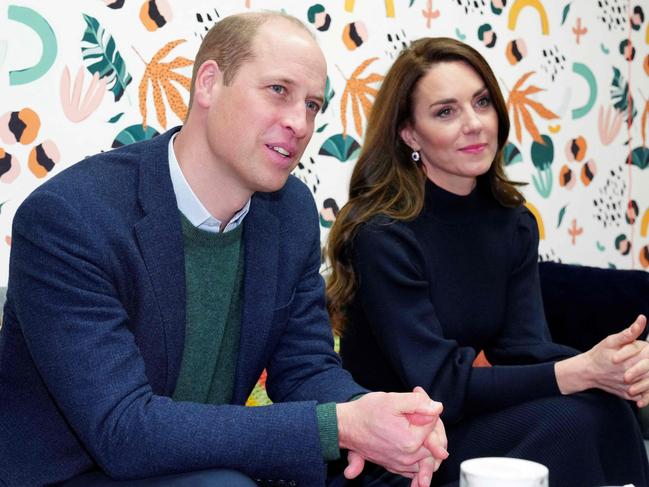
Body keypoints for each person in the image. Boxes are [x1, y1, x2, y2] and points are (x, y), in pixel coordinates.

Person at [0, 13, 448, 487]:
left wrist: (377, 416)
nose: (299, 122)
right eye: (278, 90)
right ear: (209, 84)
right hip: (77, 471)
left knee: (391, 471)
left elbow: (306, 369)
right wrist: (340, 426)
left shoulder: (289, 211)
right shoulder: (71, 218)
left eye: (313, 105)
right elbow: (123, 429)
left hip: (203, 460)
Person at [325, 36, 649, 487]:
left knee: (605, 405)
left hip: (460, 424)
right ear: (410, 134)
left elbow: (525, 349)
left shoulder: (512, 223)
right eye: (446, 111)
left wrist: (616, 366)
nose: (475, 124)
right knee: (574, 423)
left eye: (481, 103)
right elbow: (439, 383)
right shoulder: (382, 233)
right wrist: (580, 372)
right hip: (396, 452)